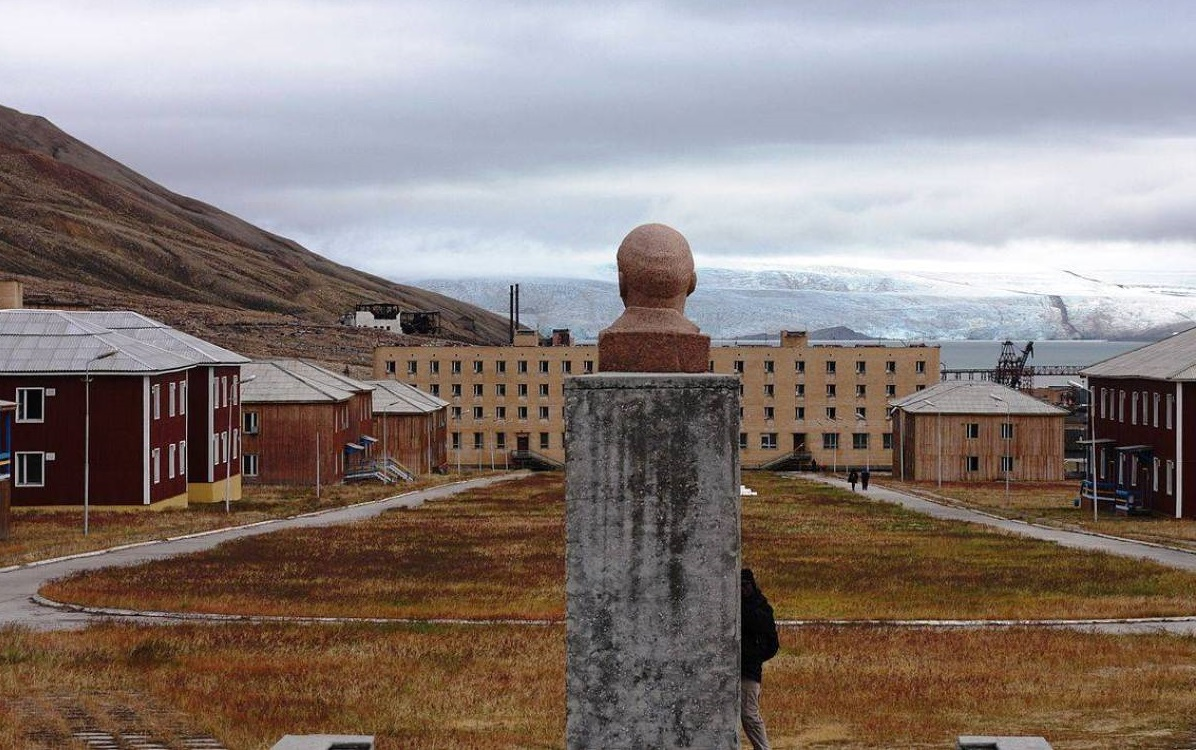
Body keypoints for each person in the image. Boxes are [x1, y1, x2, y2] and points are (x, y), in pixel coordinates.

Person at [741, 568, 777, 750]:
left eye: (746, 585)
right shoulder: (750, 607)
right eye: (740, 586)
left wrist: (754, 657)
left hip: (749, 671)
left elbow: (772, 644)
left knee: (749, 714)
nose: (743, 590)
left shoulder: (760, 609)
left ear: (752, 585)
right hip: (741, 668)